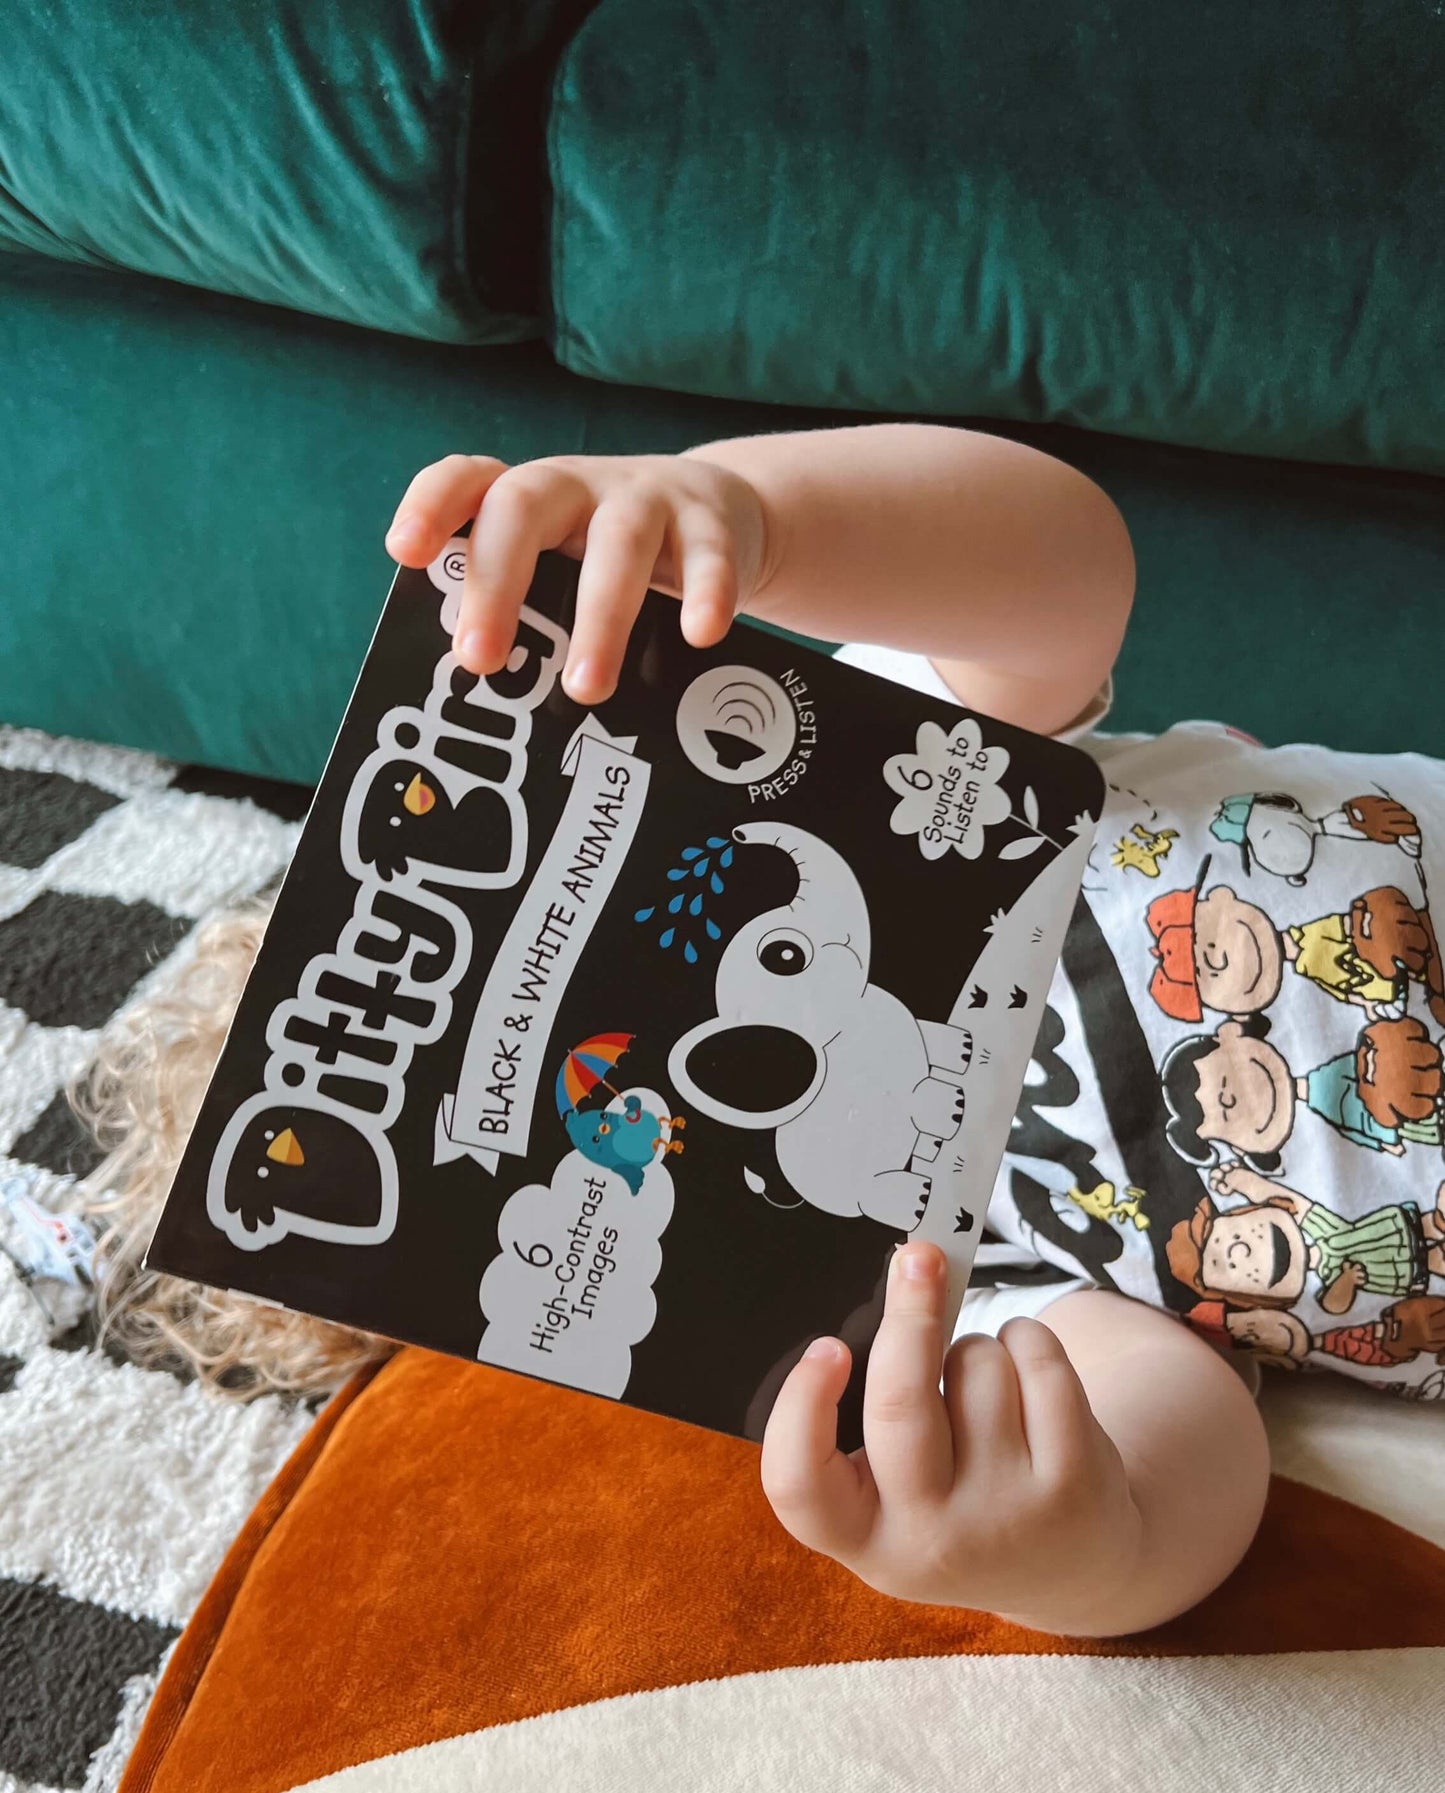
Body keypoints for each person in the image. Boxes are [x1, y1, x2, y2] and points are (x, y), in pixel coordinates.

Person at [82, 425, 1445, 1640]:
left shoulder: (857, 782)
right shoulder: (883, 1289)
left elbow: (1065, 579)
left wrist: (749, 513)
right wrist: (1080, 1555)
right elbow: (1178, 1433)